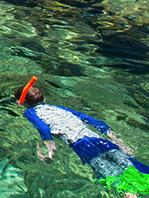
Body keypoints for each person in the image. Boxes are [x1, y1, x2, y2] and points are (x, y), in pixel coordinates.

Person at [14, 79, 149, 197]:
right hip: (100, 140)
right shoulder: (58, 108)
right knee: (127, 162)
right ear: (44, 99)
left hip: (82, 145)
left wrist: (50, 149)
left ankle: (130, 195)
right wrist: (116, 139)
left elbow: (43, 128)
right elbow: (89, 119)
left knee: (107, 172)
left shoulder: (30, 112)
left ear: (22, 102)